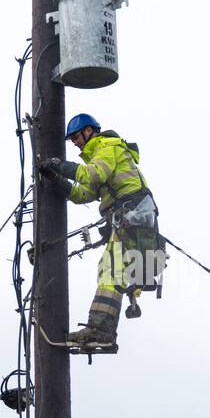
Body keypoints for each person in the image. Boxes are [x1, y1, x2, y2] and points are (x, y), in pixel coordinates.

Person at [41, 114, 161, 348]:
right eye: (72, 139)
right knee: (108, 269)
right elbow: (83, 194)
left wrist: (62, 166)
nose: (75, 142)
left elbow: (93, 175)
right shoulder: (97, 158)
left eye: (76, 136)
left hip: (132, 216)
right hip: (129, 218)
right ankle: (100, 329)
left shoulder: (108, 147)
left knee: (112, 270)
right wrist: (56, 179)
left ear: (89, 131)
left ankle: (100, 329)